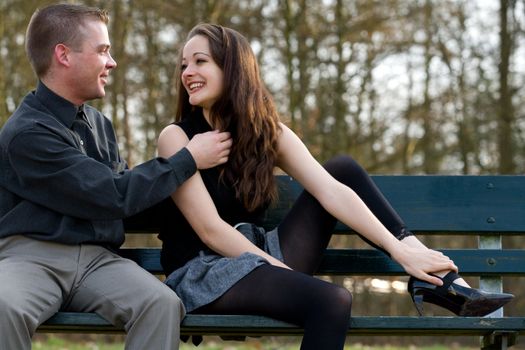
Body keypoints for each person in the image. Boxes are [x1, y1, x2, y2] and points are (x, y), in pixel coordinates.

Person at [157, 23, 514, 349]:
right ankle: (439, 278)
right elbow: (210, 230)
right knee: (332, 300)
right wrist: (276, 270)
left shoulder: (267, 133)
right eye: (184, 65)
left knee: (342, 169)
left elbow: (331, 191)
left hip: (258, 255)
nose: (187, 73)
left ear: (231, 68)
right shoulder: (177, 138)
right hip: (203, 272)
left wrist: (397, 248)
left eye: (199, 61)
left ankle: (437, 277)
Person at [0, 6, 232, 350]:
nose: (112, 63)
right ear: (63, 55)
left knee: (160, 304)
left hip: (99, 260)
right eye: (103, 51)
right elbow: (112, 193)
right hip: (31, 258)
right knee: (3, 307)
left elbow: (129, 200)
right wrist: (188, 159)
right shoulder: (26, 133)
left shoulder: (98, 124)